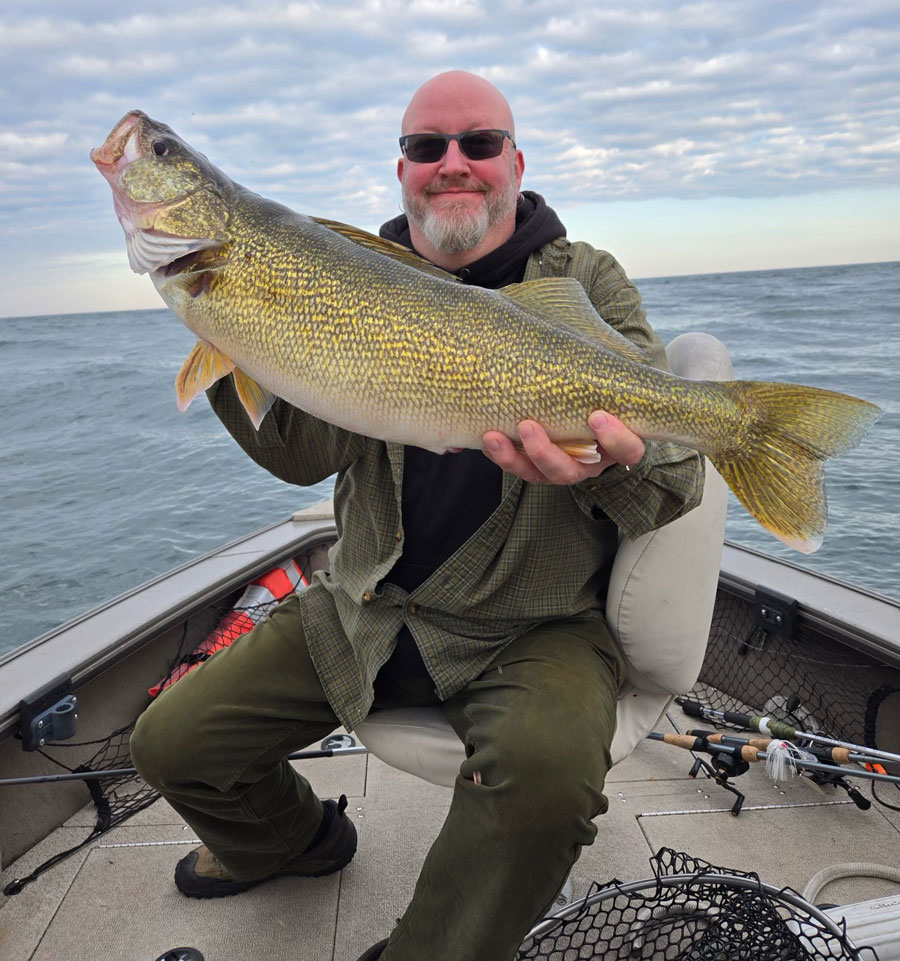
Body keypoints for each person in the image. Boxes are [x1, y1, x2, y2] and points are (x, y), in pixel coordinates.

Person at [130, 70, 704, 961]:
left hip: (534, 624)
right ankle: (293, 840)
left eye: (478, 144)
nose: (453, 165)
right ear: (401, 168)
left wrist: (603, 467)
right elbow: (297, 458)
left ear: (515, 160)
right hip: (364, 608)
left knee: (547, 775)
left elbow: (671, 484)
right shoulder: (340, 271)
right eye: (426, 147)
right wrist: (225, 324)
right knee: (170, 741)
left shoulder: (583, 280)